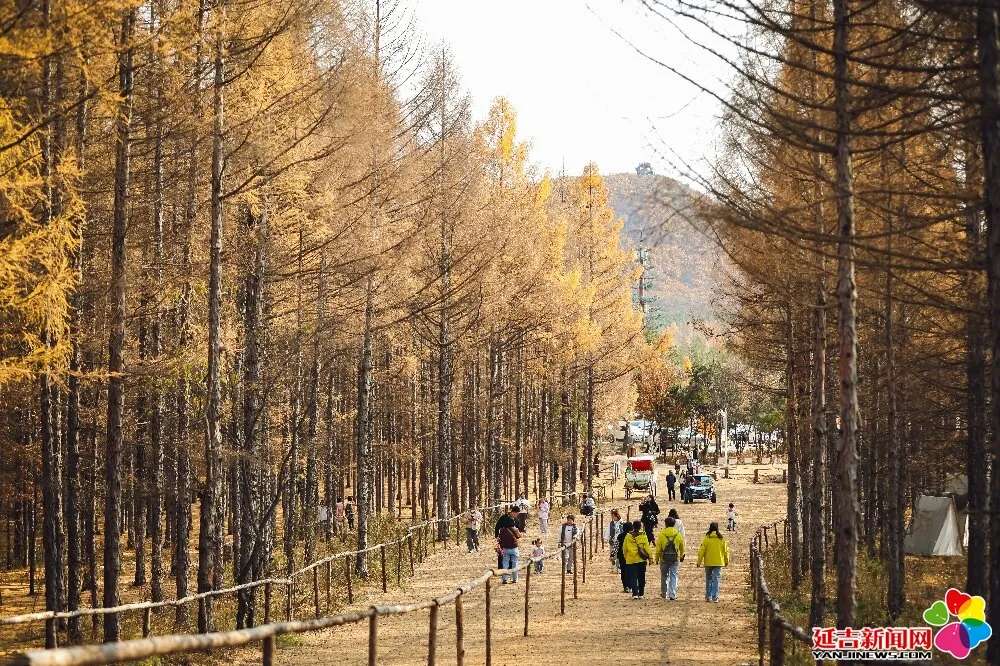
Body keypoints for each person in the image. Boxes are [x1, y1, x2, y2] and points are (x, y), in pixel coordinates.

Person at [696, 522, 730, 603]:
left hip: (708, 562)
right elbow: (726, 551)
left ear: (710, 528)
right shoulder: (722, 539)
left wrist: (699, 562)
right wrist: (726, 561)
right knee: (716, 579)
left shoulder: (706, 538)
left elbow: (701, 551)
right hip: (719, 562)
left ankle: (708, 596)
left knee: (708, 579)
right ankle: (715, 597)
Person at [655, 517, 685, 600]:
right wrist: (681, 555)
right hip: (675, 558)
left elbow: (658, 548)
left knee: (664, 576)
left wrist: (656, 558)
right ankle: (672, 594)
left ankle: (663, 594)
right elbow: (682, 547)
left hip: (664, 558)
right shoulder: (678, 534)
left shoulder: (662, 534)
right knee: (673, 576)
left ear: (666, 524)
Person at [622, 520, 651, 599]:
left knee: (633, 577)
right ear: (640, 527)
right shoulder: (643, 535)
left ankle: (635, 593)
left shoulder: (628, 536)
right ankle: (641, 593)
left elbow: (624, 548)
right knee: (641, 577)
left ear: (633, 527)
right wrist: (650, 558)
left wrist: (626, 557)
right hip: (641, 559)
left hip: (631, 559)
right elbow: (647, 548)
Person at [498, 518, 521, 584]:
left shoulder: (502, 530)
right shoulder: (514, 529)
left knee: (505, 564)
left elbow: (500, 538)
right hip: (514, 548)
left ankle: (505, 579)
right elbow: (519, 536)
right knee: (515, 564)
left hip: (505, 548)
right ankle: (515, 579)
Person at [615, 522, 630, 592]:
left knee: (623, 571)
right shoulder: (633, 536)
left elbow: (616, 546)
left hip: (622, 556)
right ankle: (630, 585)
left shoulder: (620, 536)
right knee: (630, 571)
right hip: (631, 556)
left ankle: (625, 586)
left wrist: (612, 554)